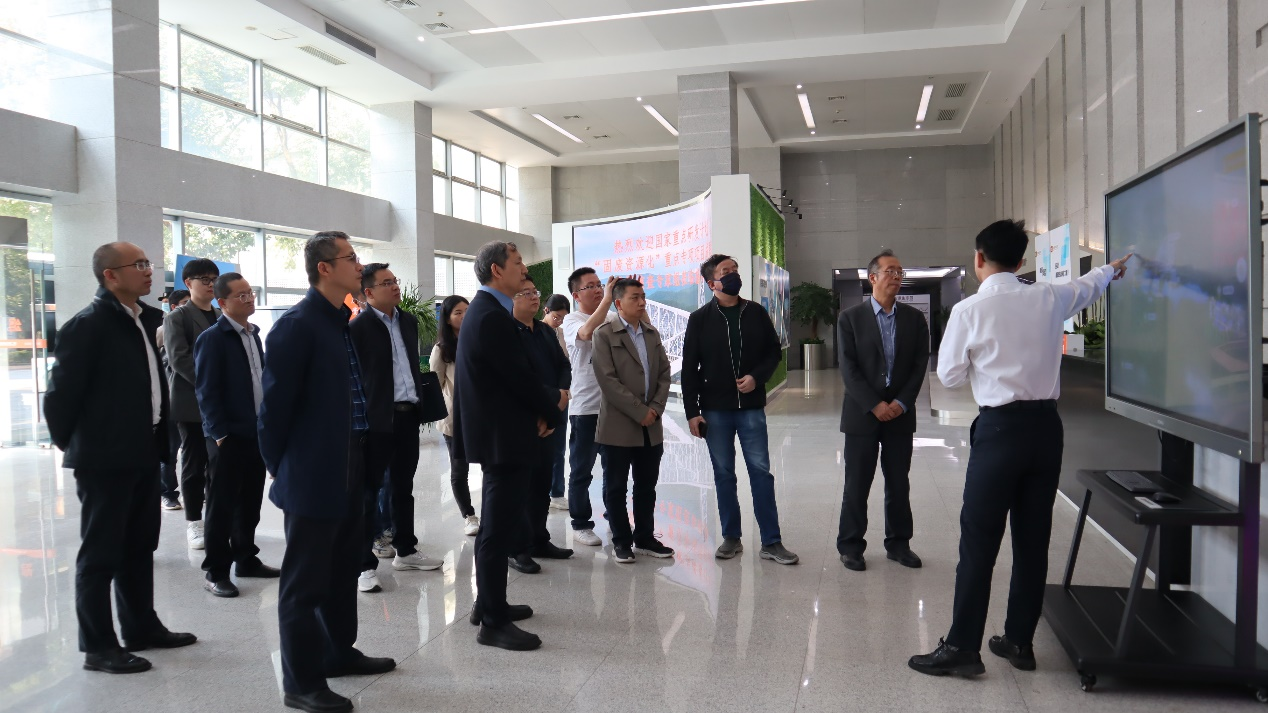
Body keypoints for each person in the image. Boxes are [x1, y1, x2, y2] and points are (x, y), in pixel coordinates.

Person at [909, 220, 1131, 678]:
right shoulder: (1048, 298)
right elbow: (1088, 285)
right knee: (1033, 539)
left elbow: (949, 375)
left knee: (979, 540)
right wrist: (1111, 269)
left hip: (1000, 431)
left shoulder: (969, 311)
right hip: (1047, 430)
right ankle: (1018, 641)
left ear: (978, 258)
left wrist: (983, 363)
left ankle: (963, 647)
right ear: (1021, 261)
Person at [45, 242, 196, 675]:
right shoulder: (87, 325)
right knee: (101, 554)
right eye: (139, 264)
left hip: (144, 449)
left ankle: (141, 627)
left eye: (149, 263)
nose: (149, 271)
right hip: (104, 457)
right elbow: (59, 398)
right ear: (110, 275)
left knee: (138, 545)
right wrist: (80, 446)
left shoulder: (145, 319)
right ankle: (98, 646)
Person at [259, 232, 395, 713]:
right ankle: (301, 682)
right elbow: (273, 412)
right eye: (351, 257)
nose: (359, 265)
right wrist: (285, 470)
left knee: (342, 570)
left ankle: (338, 651)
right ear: (324, 267)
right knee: (305, 582)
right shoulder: (297, 326)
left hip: (350, 464)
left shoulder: (341, 321)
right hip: (313, 473)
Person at [452, 241, 567, 652]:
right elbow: (517, 377)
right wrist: (552, 407)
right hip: (504, 437)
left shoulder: (488, 312)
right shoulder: (490, 316)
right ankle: (493, 623)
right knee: (497, 531)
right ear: (497, 271)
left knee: (496, 526)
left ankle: (488, 604)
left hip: (503, 431)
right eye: (517, 263)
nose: (524, 269)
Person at [681, 254, 799, 565]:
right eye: (726, 271)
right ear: (712, 283)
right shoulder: (699, 319)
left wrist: (756, 377)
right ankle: (731, 536)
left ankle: (771, 541)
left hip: (750, 407)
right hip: (715, 409)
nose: (733, 274)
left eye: (735, 269)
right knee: (724, 474)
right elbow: (689, 369)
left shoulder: (756, 312)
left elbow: (773, 352)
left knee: (760, 472)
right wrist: (692, 412)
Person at [351, 263, 444, 595]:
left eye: (395, 280)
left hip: (407, 414)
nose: (394, 286)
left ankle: (405, 550)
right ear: (368, 292)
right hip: (377, 419)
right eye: (386, 282)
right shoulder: (358, 327)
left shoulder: (406, 320)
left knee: (403, 486)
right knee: (369, 491)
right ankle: (364, 565)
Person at [835, 250, 930, 572]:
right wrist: (874, 404)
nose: (897, 276)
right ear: (872, 277)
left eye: (900, 271)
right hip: (862, 414)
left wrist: (901, 403)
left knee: (899, 483)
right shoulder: (850, 318)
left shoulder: (914, 319)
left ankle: (899, 544)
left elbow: (919, 365)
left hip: (900, 415)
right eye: (890, 271)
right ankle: (851, 546)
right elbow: (848, 368)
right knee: (856, 484)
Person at [193, 273, 279, 598]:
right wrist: (219, 434)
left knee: (250, 502)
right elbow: (206, 391)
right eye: (241, 295)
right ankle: (216, 571)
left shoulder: (254, 335)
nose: (249, 299)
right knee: (222, 506)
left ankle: (246, 559)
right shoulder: (213, 339)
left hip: (255, 432)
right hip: (228, 437)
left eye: (250, 293)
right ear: (222, 302)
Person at [592, 278, 673, 564]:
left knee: (646, 486)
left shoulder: (651, 333)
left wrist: (656, 408)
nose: (642, 302)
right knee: (616, 488)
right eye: (635, 298)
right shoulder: (604, 334)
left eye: (643, 297)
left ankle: (645, 537)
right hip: (618, 426)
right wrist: (641, 411)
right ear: (618, 303)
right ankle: (621, 541)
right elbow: (608, 381)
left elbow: (664, 373)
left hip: (651, 426)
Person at [509, 277, 573, 574]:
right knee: (519, 488)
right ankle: (517, 548)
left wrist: (560, 396)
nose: (534, 297)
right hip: (523, 420)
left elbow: (563, 365)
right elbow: (520, 378)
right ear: (511, 298)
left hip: (549, 417)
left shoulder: (545, 331)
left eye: (535, 292)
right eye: (525, 293)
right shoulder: (508, 332)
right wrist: (550, 402)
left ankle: (539, 539)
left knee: (541, 484)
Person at [163, 258, 221, 550]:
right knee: (194, 461)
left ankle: (217, 520)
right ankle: (194, 523)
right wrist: (213, 386)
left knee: (218, 463)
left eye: (214, 279)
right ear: (189, 283)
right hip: (192, 401)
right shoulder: (178, 317)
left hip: (222, 403)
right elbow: (179, 359)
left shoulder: (222, 314)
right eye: (204, 280)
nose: (211, 285)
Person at [561, 268, 618, 547]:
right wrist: (607, 300)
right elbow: (585, 334)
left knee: (615, 469)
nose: (598, 289)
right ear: (576, 295)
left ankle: (615, 515)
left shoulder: (612, 317)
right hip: (586, 408)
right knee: (582, 470)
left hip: (614, 407)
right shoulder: (572, 320)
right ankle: (581, 523)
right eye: (591, 286)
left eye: (600, 284)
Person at [429, 295, 479, 537]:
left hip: (481, 416)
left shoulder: (478, 341)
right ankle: (469, 516)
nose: (464, 316)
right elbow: (436, 385)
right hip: (455, 419)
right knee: (460, 469)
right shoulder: (441, 349)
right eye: (458, 312)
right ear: (448, 319)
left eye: (467, 310)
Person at [157, 289, 190, 511]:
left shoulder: (198, 328)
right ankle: (168, 493)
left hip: (190, 400)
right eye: (185, 303)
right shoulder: (163, 329)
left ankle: (194, 489)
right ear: (174, 307)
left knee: (192, 450)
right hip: (169, 400)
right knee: (170, 451)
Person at [542, 292, 571, 511]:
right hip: (543, 396)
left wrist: (564, 391)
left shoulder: (560, 333)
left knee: (559, 447)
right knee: (541, 446)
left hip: (562, 396)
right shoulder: (535, 332)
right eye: (556, 316)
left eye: (562, 317)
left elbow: (565, 364)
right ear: (546, 311)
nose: (559, 321)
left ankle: (557, 492)